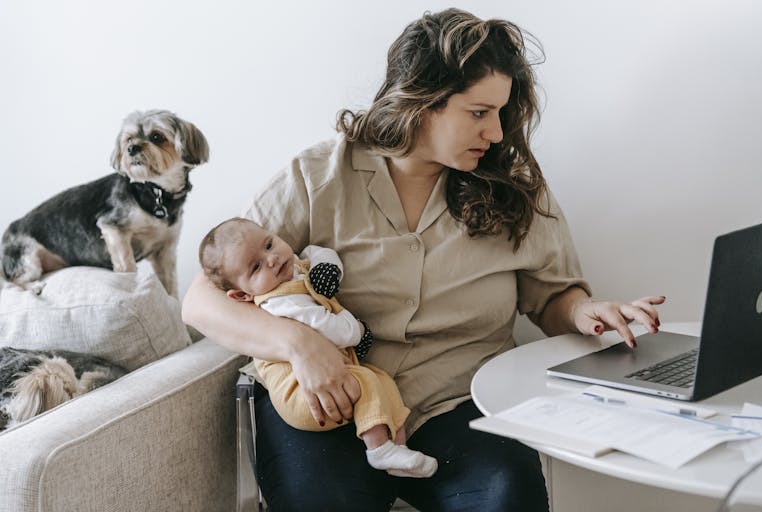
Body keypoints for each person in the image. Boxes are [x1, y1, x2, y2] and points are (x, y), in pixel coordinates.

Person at [183, 8, 664, 511]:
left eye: (500, 113)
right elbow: (201, 301)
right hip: (330, 402)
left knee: (508, 499)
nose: (497, 133)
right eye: (478, 113)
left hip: (460, 404)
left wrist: (584, 312)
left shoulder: (515, 185)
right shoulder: (318, 176)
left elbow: (552, 296)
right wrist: (299, 342)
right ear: (420, 102)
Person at [197, 217, 438, 478]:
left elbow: (315, 252)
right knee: (369, 382)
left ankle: (397, 450)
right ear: (242, 295)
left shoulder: (293, 268)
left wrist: (327, 267)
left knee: (383, 382)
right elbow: (327, 327)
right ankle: (378, 449)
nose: (272, 259)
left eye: (269, 244)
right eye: (256, 267)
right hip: (303, 395)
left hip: (332, 376)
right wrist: (357, 330)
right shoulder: (278, 302)